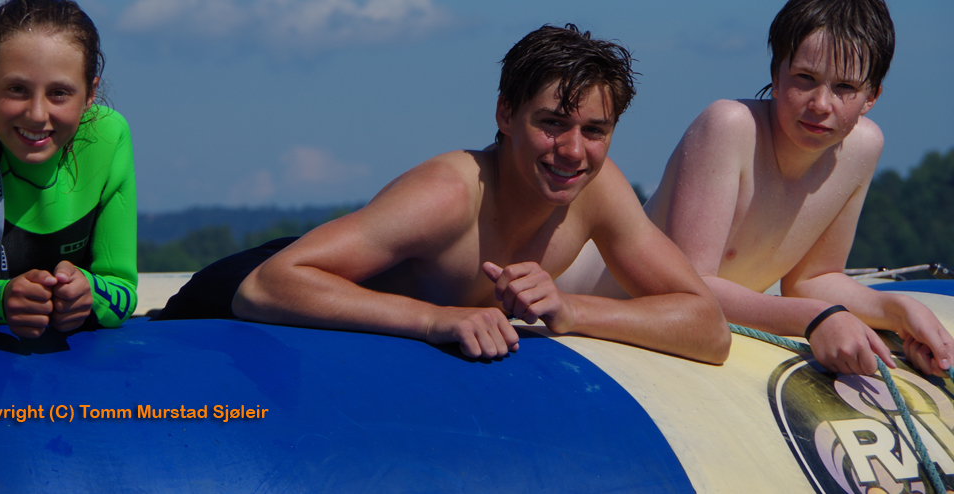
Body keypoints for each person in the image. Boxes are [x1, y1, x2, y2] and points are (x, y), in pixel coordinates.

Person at [158, 24, 731, 363]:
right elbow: (266, 285)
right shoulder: (449, 194)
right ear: (505, 114)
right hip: (247, 293)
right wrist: (436, 320)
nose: (573, 151)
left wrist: (572, 309)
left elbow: (708, 329)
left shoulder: (599, 192)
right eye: (552, 123)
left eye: (595, 131)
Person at [560, 0, 953, 376]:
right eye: (804, 77)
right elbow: (689, 289)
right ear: (776, 76)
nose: (820, 104)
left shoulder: (863, 147)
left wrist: (898, 310)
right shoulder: (729, 127)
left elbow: (814, 280)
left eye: (845, 87)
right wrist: (815, 319)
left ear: (872, 97)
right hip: (572, 291)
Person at [0, 0, 138, 337]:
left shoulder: (109, 137)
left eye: (59, 93)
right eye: (17, 89)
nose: (37, 115)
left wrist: (88, 293)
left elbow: (123, 291)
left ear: (90, 94)